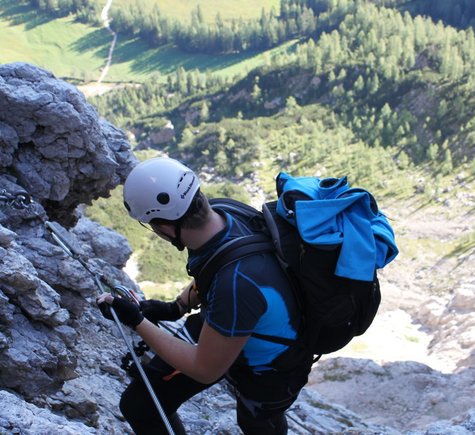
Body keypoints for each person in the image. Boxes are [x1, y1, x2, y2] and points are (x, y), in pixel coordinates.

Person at [96, 157, 313, 435]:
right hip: (234, 321)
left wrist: (136, 320)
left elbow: (204, 369)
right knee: (142, 403)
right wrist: (174, 307)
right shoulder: (223, 211)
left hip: (271, 364)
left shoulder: (236, 284)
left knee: (257, 423)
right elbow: (212, 271)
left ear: (164, 227)